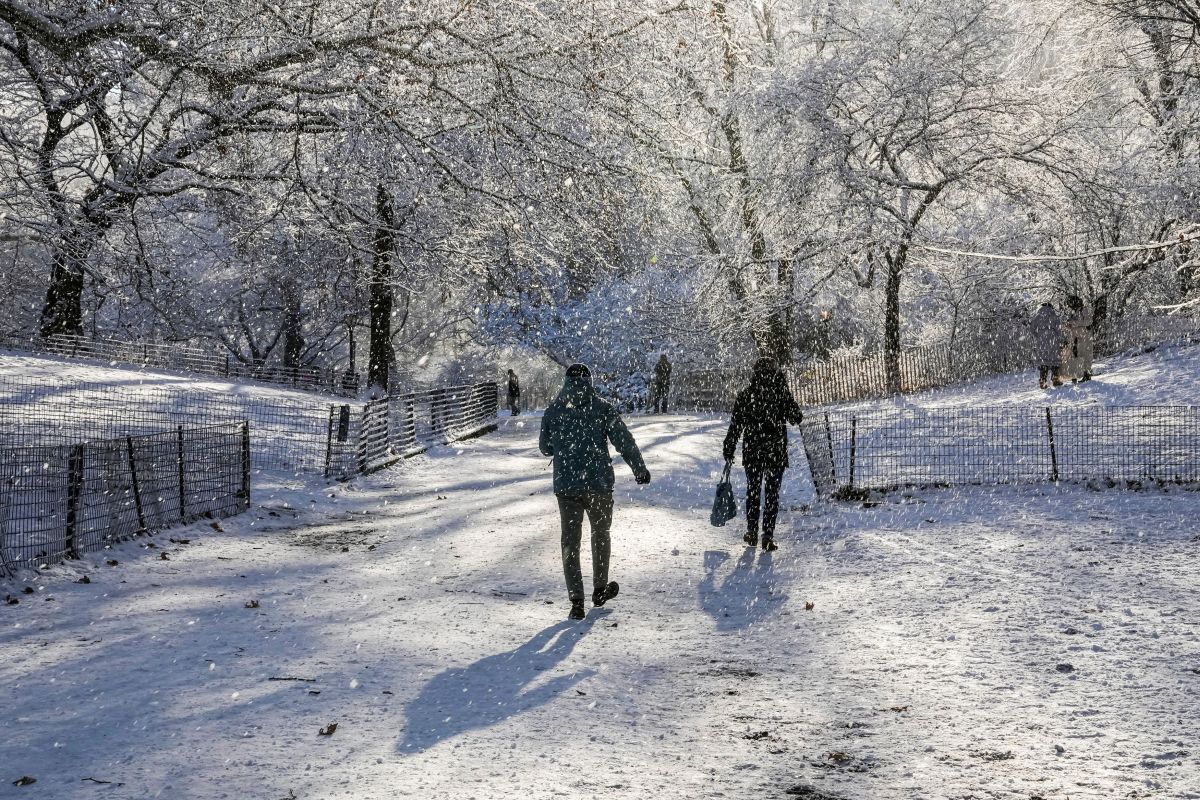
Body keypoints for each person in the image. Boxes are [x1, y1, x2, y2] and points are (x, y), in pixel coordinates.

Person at [539, 364, 651, 620]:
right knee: (600, 534)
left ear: (566, 382)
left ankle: (576, 601)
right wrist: (639, 468)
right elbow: (623, 440)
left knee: (570, 542)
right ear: (589, 381)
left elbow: (545, 448)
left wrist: (564, 445)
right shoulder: (602, 408)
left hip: (567, 485)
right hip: (598, 483)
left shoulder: (554, 410)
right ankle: (600, 589)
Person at [722, 357, 804, 552]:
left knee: (753, 491)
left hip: (753, 451)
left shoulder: (747, 395)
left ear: (755, 373)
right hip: (775, 451)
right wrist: (784, 392)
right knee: (772, 494)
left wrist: (729, 448)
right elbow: (796, 418)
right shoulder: (780, 393)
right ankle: (767, 534)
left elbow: (736, 425)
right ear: (775, 373)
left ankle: (751, 530)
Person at [1029, 302, 1065, 389]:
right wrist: (1060, 339)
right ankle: (1055, 379)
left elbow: (1032, 328)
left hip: (1042, 341)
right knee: (1054, 361)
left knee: (1043, 362)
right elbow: (1059, 329)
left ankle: (1043, 380)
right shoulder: (1054, 315)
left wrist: (1038, 336)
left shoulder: (1038, 316)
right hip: (1053, 339)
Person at [1061, 295, 1094, 382]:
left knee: (1085, 355)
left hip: (1084, 338)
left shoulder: (1084, 310)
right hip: (1076, 338)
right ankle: (1076, 374)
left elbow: (1088, 321)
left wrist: (1073, 323)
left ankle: (1086, 374)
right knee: (1076, 356)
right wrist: (1068, 325)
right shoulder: (1074, 312)